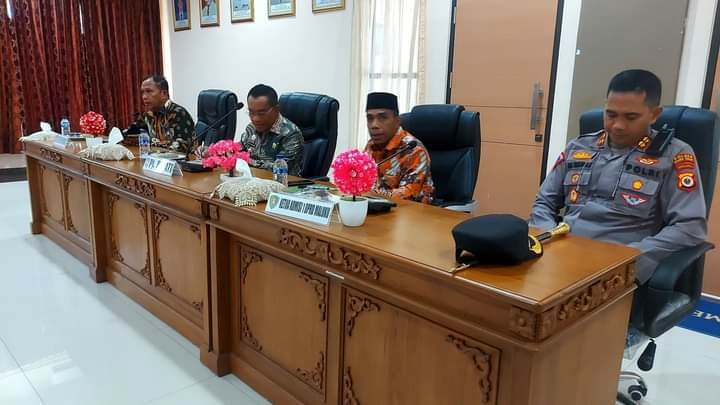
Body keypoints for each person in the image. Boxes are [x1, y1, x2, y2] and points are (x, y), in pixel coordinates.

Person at [529, 69, 707, 285]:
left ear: (654, 114)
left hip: (615, 269)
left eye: (631, 117)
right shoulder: (579, 147)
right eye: (611, 115)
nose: (618, 125)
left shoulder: (674, 155)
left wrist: (630, 258)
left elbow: (690, 227)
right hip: (560, 255)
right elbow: (544, 202)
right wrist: (548, 239)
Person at [363, 92, 435, 204]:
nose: (374, 125)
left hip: (411, 211)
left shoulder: (413, 150)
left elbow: (406, 197)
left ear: (397, 121)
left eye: (383, 118)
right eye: (370, 118)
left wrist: (369, 193)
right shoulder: (371, 146)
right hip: (376, 208)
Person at [239, 84, 304, 176]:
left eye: (261, 113)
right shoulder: (251, 128)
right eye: (251, 112)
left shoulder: (291, 134)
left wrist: (246, 161)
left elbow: (281, 168)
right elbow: (239, 151)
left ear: (276, 109)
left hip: (282, 182)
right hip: (252, 180)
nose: (255, 119)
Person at [136, 74, 196, 153]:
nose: (144, 97)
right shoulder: (148, 115)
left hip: (183, 159)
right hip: (157, 158)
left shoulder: (178, 113)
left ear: (164, 93)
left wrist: (154, 145)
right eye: (142, 92)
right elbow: (132, 135)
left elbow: (182, 147)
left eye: (149, 91)